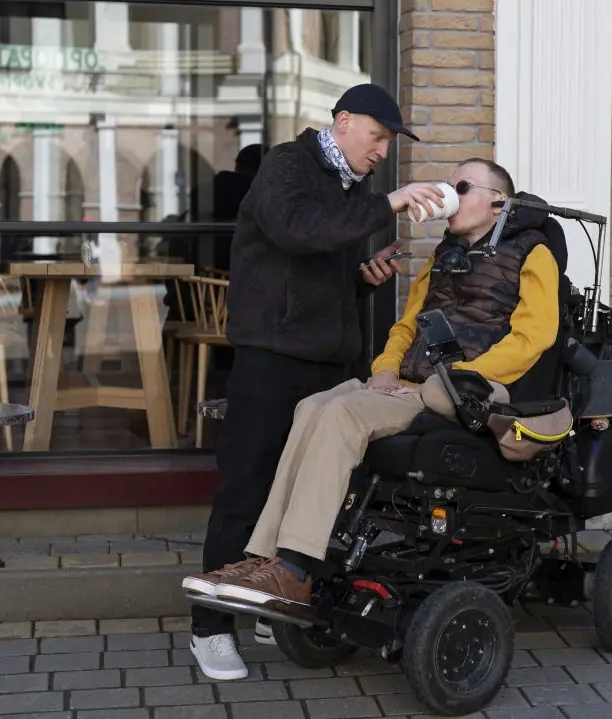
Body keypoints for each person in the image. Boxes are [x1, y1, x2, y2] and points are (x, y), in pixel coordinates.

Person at [183, 158, 561, 625]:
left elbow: (534, 337)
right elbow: (408, 325)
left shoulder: (533, 253)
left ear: (498, 200)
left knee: (343, 415)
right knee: (313, 406)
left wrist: (461, 376)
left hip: (471, 391)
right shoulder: (445, 255)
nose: (449, 193)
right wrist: (384, 369)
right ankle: (268, 559)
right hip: (413, 383)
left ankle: (297, 567)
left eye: (461, 187)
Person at [189, 82, 448, 681]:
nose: (383, 152)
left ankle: (271, 602)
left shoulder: (347, 188)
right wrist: (390, 203)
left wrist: (361, 280)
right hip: (272, 360)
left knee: (312, 493)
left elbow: (311, 262)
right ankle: (210, 628)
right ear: (344, 120)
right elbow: (295, 229)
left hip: (330, 365)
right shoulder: (287, 165)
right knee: (247, 489)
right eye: (378, 137)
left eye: (389, 142)